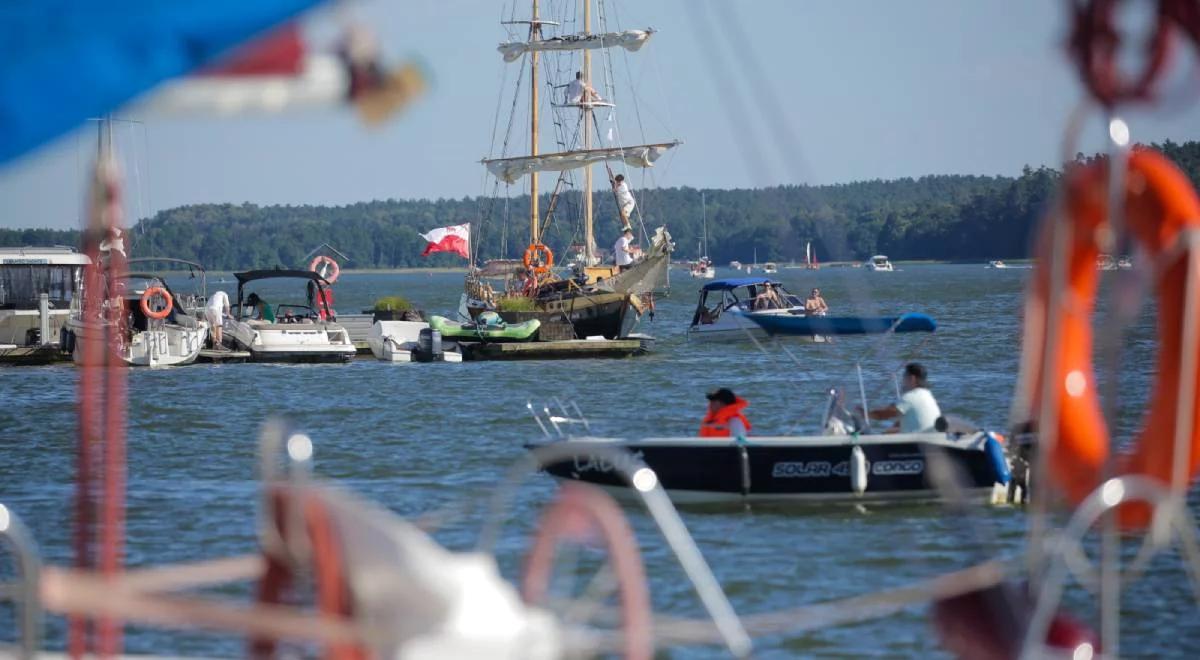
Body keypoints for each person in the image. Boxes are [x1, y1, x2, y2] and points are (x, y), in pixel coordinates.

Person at [863, 363, 942, 434]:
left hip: (916, 444)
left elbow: (882, 415)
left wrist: (864, 414)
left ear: (912, 378)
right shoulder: (929, 396)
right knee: (889, 432)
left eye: (904, 376)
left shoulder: (911, 397)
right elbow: (904, 421)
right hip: (931, 441)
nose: (902, 381)